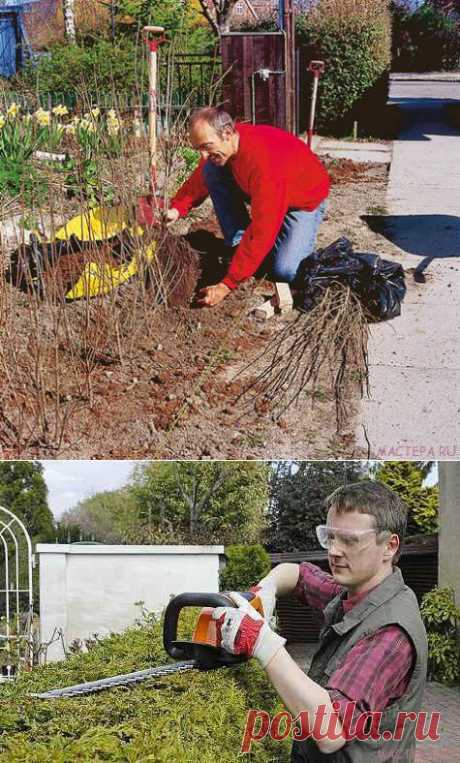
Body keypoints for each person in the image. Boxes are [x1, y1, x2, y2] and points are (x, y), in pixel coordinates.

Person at [212, 480, 428, 761]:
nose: (335, 551)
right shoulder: (354, 592)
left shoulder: (390, 633)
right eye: (330, 536)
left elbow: (330, 732)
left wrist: (261, 641)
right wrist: (266, 590)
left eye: (349, 540)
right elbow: (298, 574)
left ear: (389, 546)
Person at [164, 107, 330, 307]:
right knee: (211, 171)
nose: (203, 156)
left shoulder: (264, 163)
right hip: (268, 191)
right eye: (199, 149)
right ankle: (240, 247)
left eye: (207, 146)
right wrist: (177, 208)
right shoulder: (227, 146)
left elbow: (262, 229)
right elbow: (201, 176)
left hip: (302, 203)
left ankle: (254, 256)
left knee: (284, 271)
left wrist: (227, 284)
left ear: (226, 133)